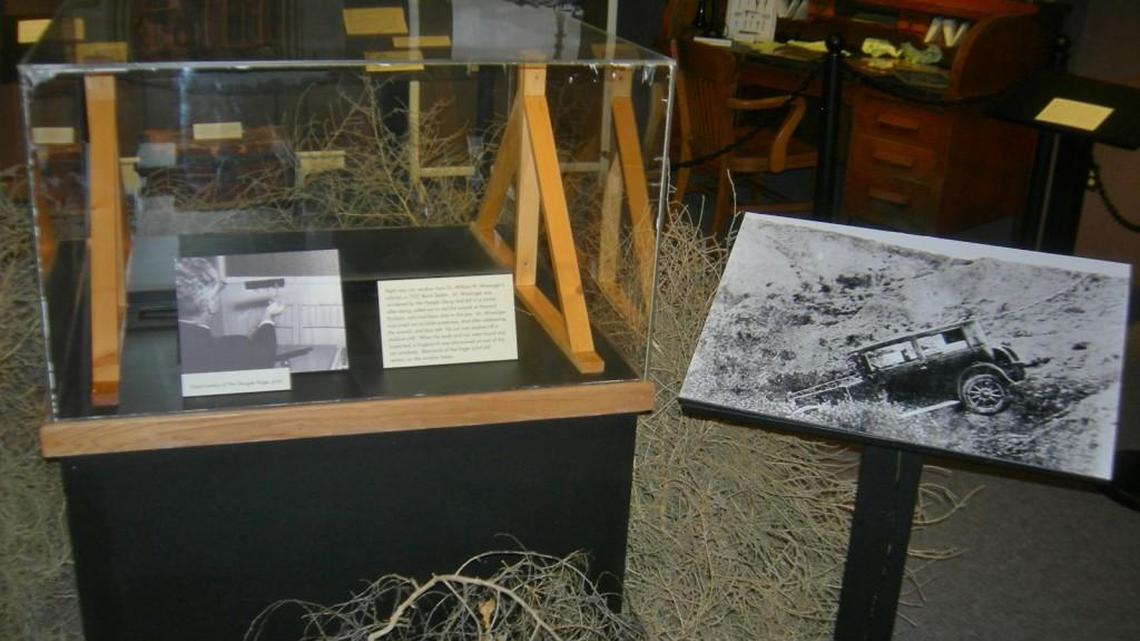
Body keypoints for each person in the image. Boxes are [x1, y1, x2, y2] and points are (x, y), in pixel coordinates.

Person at [174, 257, 284, 374]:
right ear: (211, 304)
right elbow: (265, 357)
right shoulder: (232, 349)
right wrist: (268, 317)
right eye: (219, 290)